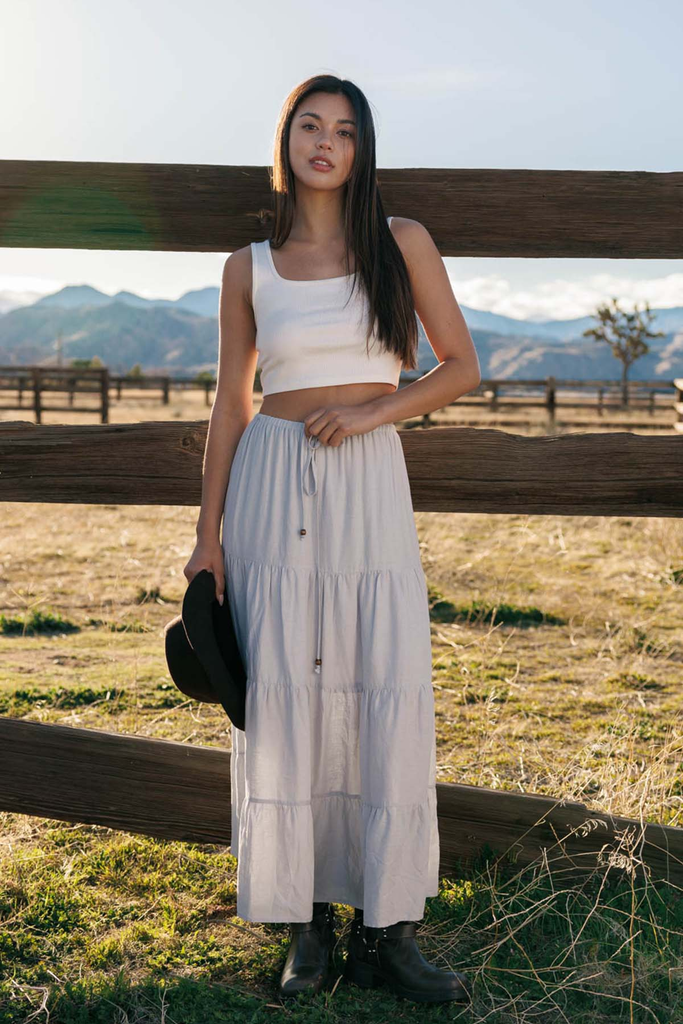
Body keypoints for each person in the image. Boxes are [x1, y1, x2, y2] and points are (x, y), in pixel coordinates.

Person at [184, 74, 480, 1004]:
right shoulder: (248, 267)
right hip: (271, 482)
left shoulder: (401, 243)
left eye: (344, 130)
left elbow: (459, 367)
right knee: (284, 694)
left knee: (380, 676)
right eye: (310, 126)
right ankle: (303, 926)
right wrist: (207, 539)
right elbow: (232, 405)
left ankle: (389, 929)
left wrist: (374, 412)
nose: (326, 142)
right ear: (286, 142)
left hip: (366, 478)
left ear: (361, 149)